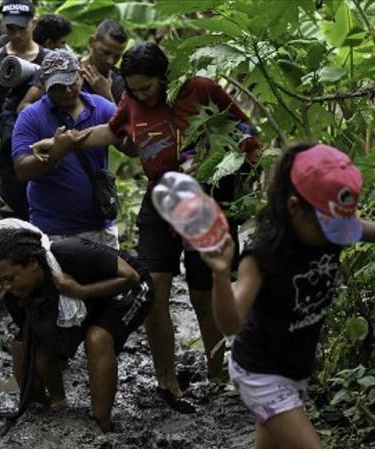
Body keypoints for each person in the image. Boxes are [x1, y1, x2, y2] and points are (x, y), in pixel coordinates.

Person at [31, 42, 260, 407]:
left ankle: (217, 376)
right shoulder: (134, 101)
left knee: (203, 294)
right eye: (133, 90)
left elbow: (246, 130)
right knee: (154, 291)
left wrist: (243, 176)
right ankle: (167, 383)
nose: (139, 96)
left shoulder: (199, 89)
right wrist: (66, 142)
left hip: (205, 202)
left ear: (164, 78)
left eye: (146, 88)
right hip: (160, 201)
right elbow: (113, 130)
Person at [200, 143, 375, 449]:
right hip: (260, 372)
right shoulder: (263, 255)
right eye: (327, 226)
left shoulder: (333, 226)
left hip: (295, 367)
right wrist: (220, 275)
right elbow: (231, 323)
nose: (336, 235)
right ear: (294, 208)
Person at [0, 227, 154, 432]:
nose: (5, 287)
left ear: (32, 263)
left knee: (96, 337)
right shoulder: (15, 295)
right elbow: (40, 344)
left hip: (126, 288)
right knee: (23, 345)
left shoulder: (70, 252)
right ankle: (48, 408)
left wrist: (80, 291)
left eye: (11, 278)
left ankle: (102, 423)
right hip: (84, 300)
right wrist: (58, 400)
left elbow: (131, 277)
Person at [12, 50, 119, 248]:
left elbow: (129, 142)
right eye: (59, 87)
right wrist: (57, 152)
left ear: (80, 74)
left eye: (71, 82)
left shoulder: (101, 107)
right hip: (52, 230)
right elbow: (22, 170)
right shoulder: (31, 116)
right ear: (45, 85)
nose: (68, 91)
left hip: (100, 227)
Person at [0, 0, 49, 221]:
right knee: (10, 212)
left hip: (43, 146)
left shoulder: (49, 60)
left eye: (22, 28)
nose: (17, 34)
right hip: (8, 147)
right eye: (11, 29)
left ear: (34, 23)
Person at [80, 19, 127, 105]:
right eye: (106, 52)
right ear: (92, 42)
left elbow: (123, 118)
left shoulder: (121, 83)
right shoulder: (70, 68)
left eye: (117, 56)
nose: (111, 61)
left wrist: (107, 95)